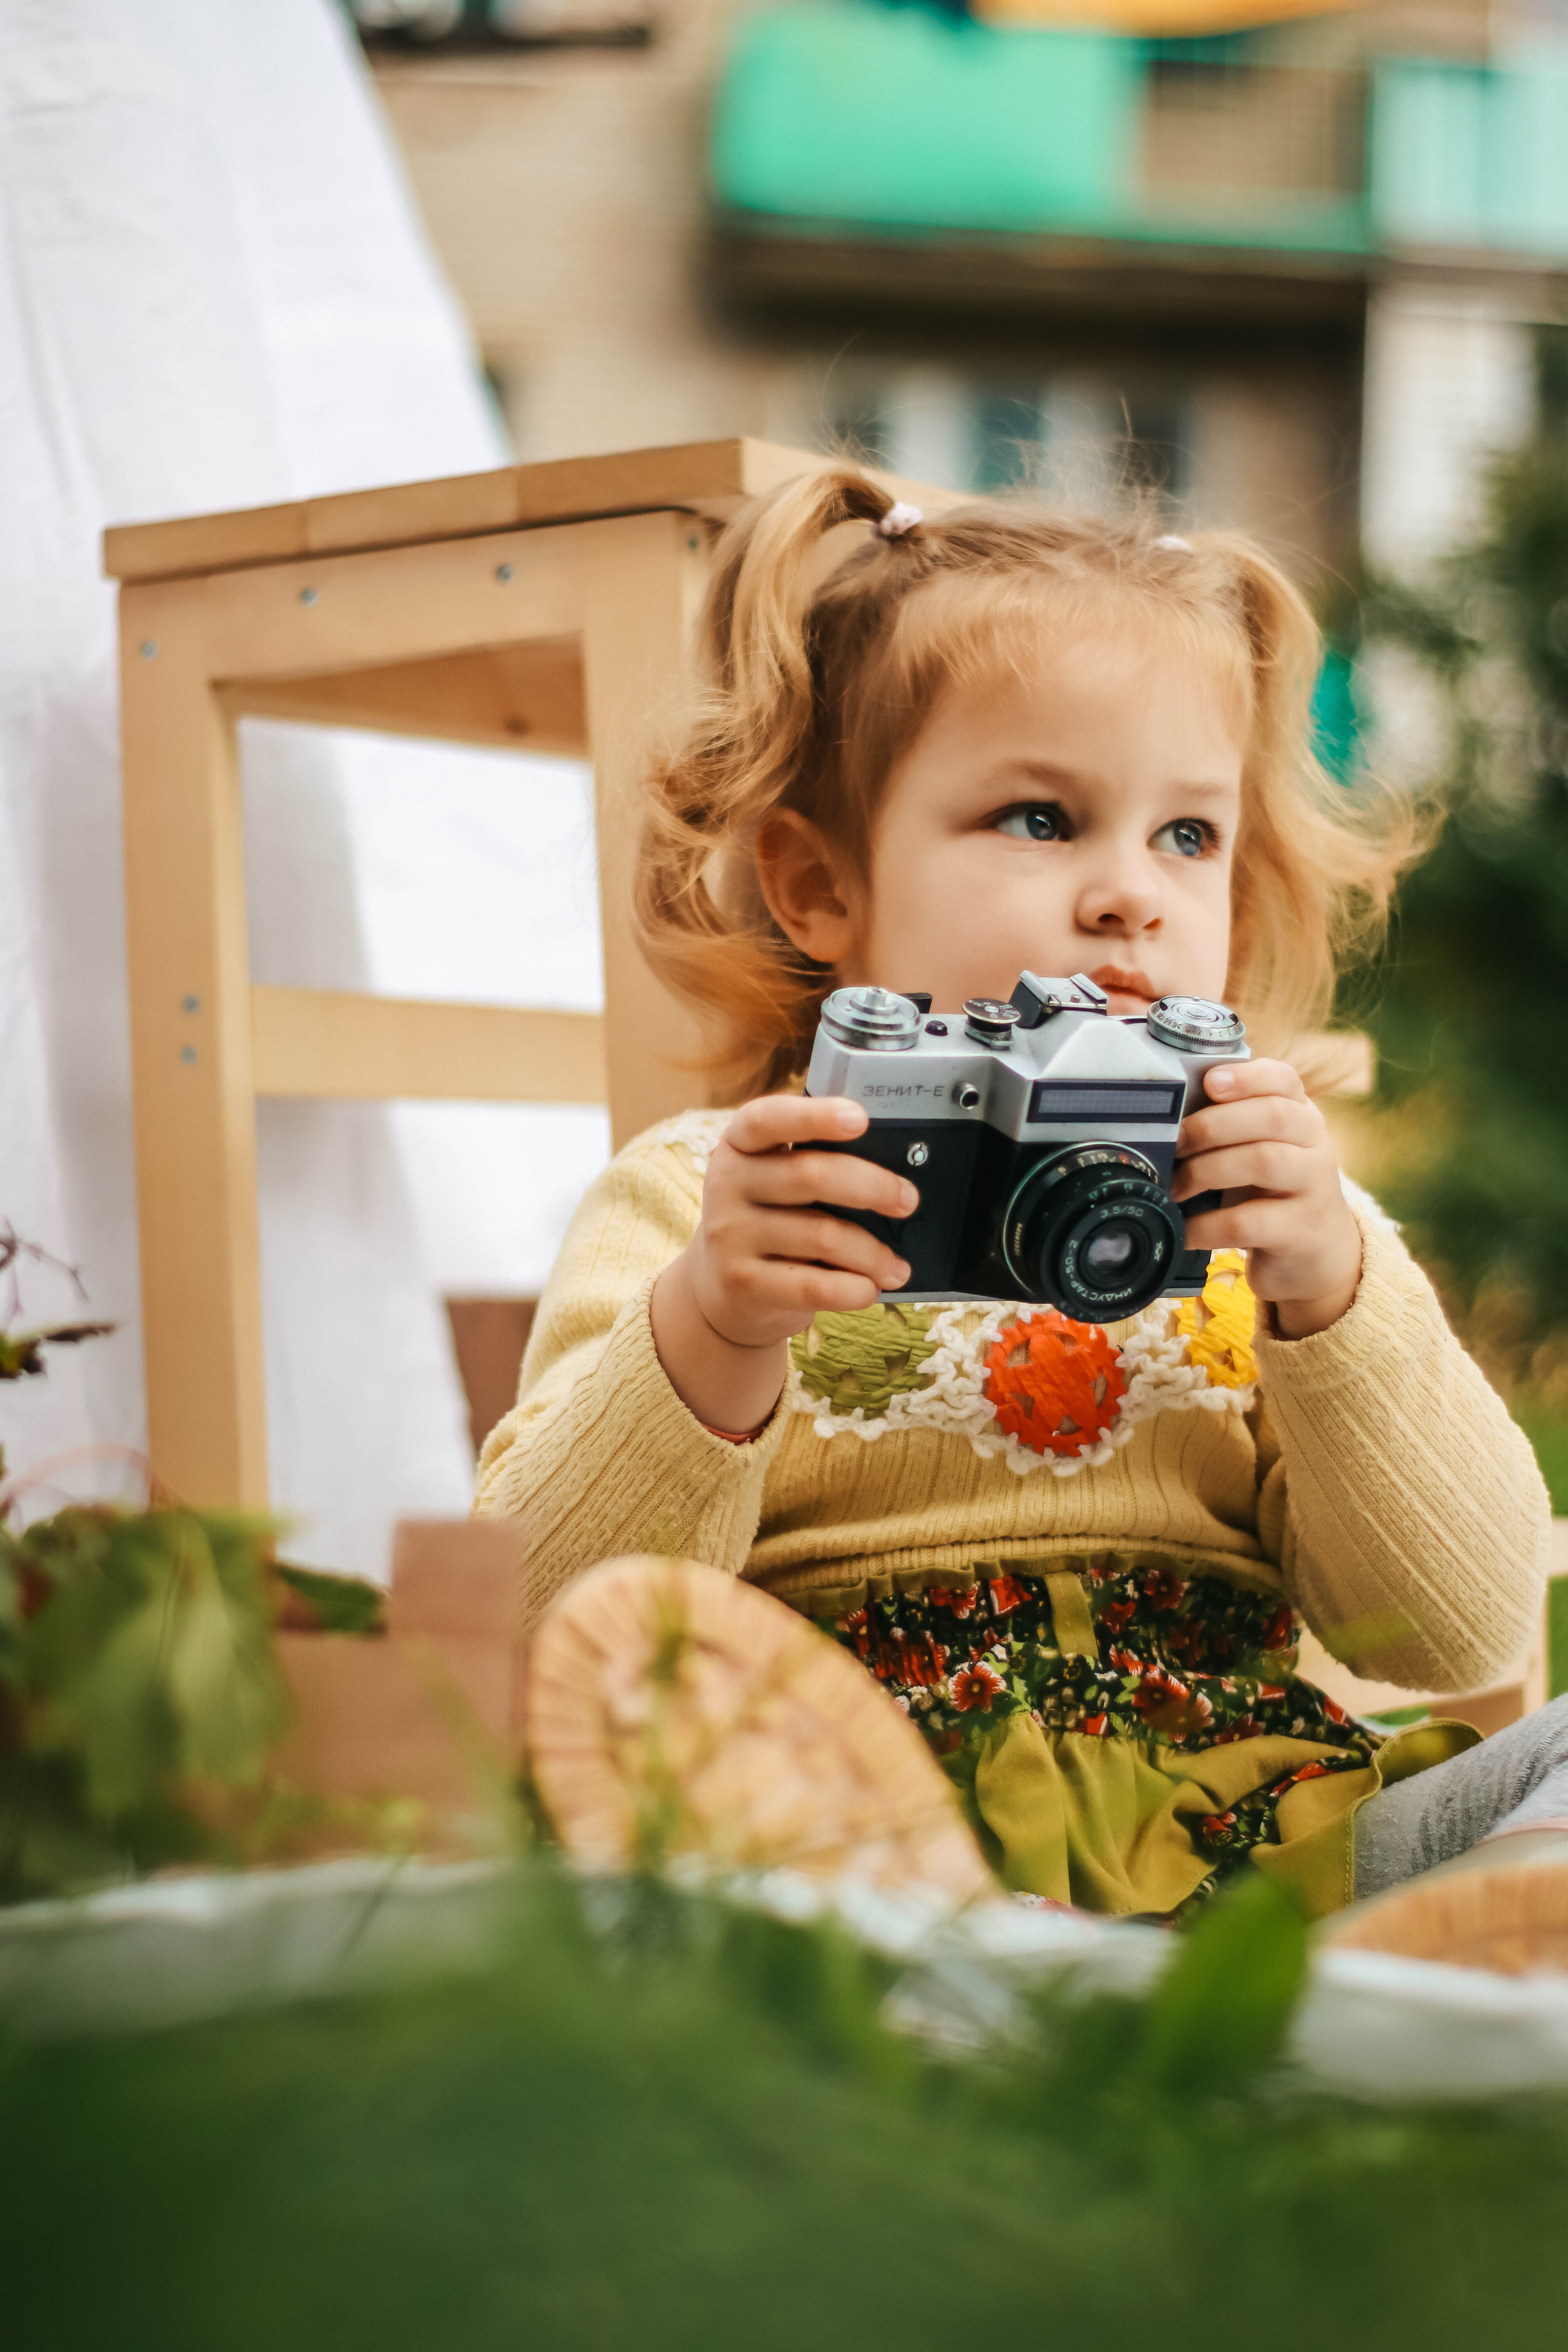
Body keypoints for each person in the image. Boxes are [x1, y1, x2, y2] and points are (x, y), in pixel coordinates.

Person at [480, 470, 1562, 1968]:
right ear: (816, 885)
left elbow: (1458, 1636)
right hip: (856, 1850)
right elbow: (533, 1625)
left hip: (1264, 1862)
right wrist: (711, 1329)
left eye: (1187, 837)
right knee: (671, 1878)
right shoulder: (710, 1201)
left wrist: (1333, 1291)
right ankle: (1222, 2037)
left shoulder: (1271, 1223)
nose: (1129, 895)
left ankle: (1299, 2009)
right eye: (1041, 817)